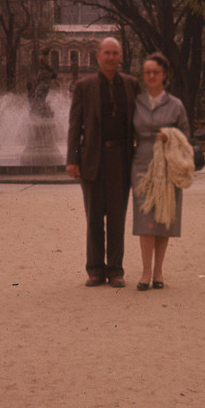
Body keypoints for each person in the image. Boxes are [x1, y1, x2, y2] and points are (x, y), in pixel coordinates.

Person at [66, 37, 139, 288]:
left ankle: (116, 270)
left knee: (117, 218)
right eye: (106, 53)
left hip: (121, 158)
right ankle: (95, 270)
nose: (110, 57)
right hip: (92, 159)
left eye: (114, 53)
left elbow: (140, 122)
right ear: (98, 56)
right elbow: (75, 125)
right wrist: (71, 160)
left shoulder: (131, 85)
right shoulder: (84, 86)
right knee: (94, 217)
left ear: (120, 57)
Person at [131, 53, 192, 291]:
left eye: (156, 72)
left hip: (168, 165)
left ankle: (159, 271)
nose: (152, 76)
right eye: (147, 72)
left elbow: (186, 137)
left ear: (164, 74)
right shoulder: (136, 102)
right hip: (142, 165)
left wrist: (171, 137)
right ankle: (146, 271)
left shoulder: (175, 104)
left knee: (164, 216)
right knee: (145, 217)